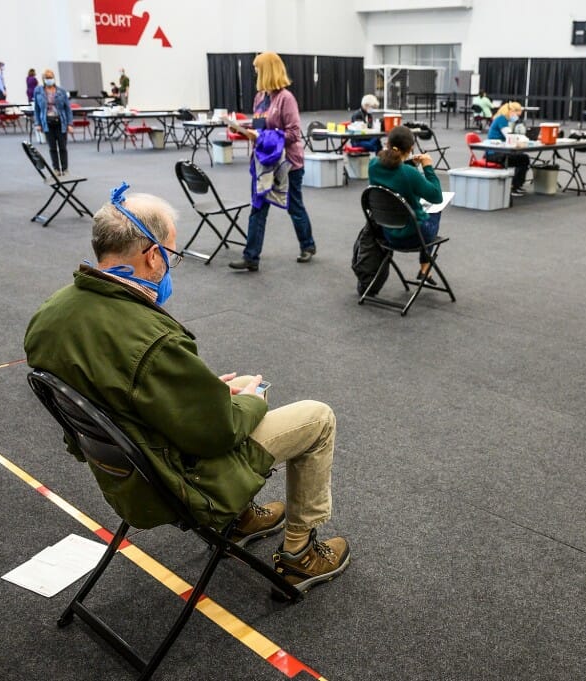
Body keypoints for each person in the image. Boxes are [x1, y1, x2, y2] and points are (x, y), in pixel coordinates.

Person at [23, 184, 350, 591]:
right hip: (180, 480)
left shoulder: (49, 315)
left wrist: (206, 392)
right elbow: (219, 432)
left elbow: (121, 388)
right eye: (171, 255)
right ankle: (300, 555)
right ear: (152, 255)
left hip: (125, 470)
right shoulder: (151, 340)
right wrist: (250, 402)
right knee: (316, 416)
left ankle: (240, 518)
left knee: (236, 388)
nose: (169, 265)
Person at [229, 52, 317, 271]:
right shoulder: (260, 97)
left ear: (267, 70)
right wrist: (243, 127)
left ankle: (308, 245)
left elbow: (294, 133)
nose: (255, 72)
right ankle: (251, 257)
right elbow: (261, 125)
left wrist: (266, 136)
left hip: (288, 163)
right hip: (264, 162)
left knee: (294, 206)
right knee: (258, 207)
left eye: (258, 69)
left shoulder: (286, 99)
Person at [367, 125, 444, 283]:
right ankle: (425, 266)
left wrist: (409, 164)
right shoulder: (410, 174)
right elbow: (436, 196)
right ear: (411, 148)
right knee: (435, 210)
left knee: (418, 212)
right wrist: (428, 167)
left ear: (387, 143)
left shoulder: (373, 165)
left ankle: (425, 270)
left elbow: (396, 178)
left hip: (386, 232)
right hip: (412, 236)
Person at [32, 69, 72, 175]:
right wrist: (38, 123)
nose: (49, 79)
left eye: (51, 77)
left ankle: (65, 168)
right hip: (47, 122)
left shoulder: (61, 91)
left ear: (54, 78)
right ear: (43, 79)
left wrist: (69, 124)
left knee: (62, 147)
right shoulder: (38, 91)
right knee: (52, 147)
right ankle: (56, 169)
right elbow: (37, 109)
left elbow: (67, 108)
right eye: (47, 78)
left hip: (60, 121)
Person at [486, 101, 529, 197]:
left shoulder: (505, 120)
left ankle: (516, 185)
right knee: (523, 159)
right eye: (517, 114)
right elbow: (509, 136)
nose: (517, 117)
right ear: (511, 111)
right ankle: (514, 186)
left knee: (523, 158)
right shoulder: (501, 119)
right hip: (494, 153)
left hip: (501, 151)